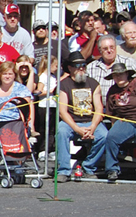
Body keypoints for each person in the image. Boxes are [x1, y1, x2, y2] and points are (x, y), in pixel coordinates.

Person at [55, 52, 107, 181]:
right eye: (77, 65)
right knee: (61, 131)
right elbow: (62, 111)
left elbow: (99, 108)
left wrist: (93, 127)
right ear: (70, 68)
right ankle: (64, 170)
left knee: (105, 135)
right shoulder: (63, 85)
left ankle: (88, 167)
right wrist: (77, 129)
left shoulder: (94, 84)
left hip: (90, 121)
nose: (81, 68)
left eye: (83, 65)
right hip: (71, 122)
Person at [103, 63, 136, 182]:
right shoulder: (112, 91)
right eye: (115, 75)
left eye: (121, 74)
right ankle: (112, 169)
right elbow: (110, 112)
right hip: (125, 121)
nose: (118, 77)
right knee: (111, 137)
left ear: (127, 74)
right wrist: (115, 124)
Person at [87, 35, 136, 105]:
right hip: (99, 109)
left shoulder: (130, 63)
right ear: (100, 51)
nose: (109, 51)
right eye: (105, 49)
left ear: (116, 48)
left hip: (125, 109)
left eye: (112, 47)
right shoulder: (90, 68)